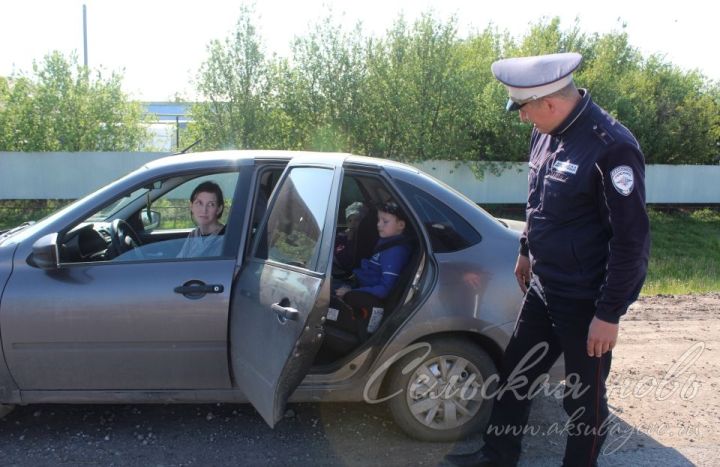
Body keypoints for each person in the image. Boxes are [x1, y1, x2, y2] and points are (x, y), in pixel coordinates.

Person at [446, 52, 650, 467]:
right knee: (515, 377)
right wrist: (525, 250)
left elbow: (631, 241)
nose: (522, 118)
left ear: (550, 102)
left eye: (523, 109)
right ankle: (497, 458)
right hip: (545, 288)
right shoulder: (547, 131)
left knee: (583, 401)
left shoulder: (612, 149)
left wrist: (609, 314)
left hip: (586, 301)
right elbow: (537, 199)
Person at [177, 181, 226, 258]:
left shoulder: (225, 238)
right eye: (199, 203)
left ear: (219, 209)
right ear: (191, 206)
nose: (204, 210)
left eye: (211, 204)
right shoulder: (193, 235)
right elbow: (179, 263)